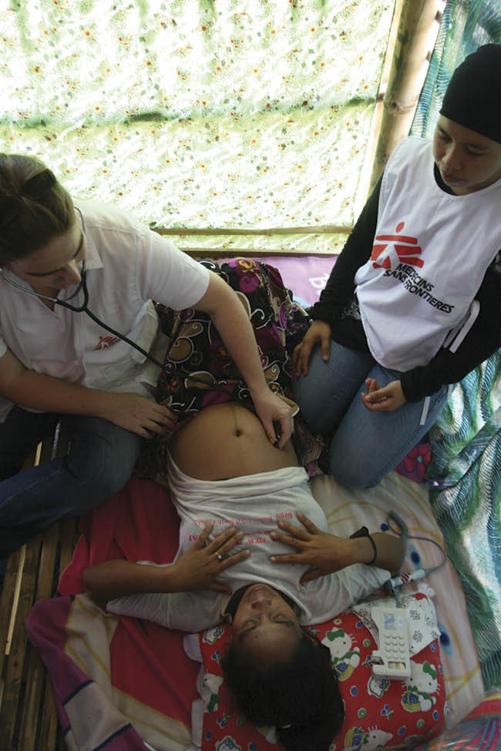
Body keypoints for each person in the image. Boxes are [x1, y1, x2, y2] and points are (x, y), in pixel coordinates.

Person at [0, 154, 293, 560]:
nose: (71, 276)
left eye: (78, 252)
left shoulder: (123, 240)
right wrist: (108, 406)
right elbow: (13, 381)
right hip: (33, 384)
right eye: (48, 274)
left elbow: (222, 300)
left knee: (103, 475)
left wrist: (260, 390)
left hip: (122, 376)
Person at [83, 401, 405, 751]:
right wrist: (351, 551)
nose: (261, 603)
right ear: (305, 634)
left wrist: (174, 577)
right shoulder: (321, 597)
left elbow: (97, 584)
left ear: (231, 646)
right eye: (281, 620)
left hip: (185, 409)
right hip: (274, 408)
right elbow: (396, 555)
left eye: (251, 624)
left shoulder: (195, 607)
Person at [292, 43, 501, 489]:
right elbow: (364, 238)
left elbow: (487, 332)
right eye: (444, 136)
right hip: (366, 315)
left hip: (422, 355)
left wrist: (419, 386)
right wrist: (325, 314)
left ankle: (414, 402)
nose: (450, 162)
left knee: (352, 473)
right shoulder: (410, 158)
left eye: (476, 150)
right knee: (305, 411)